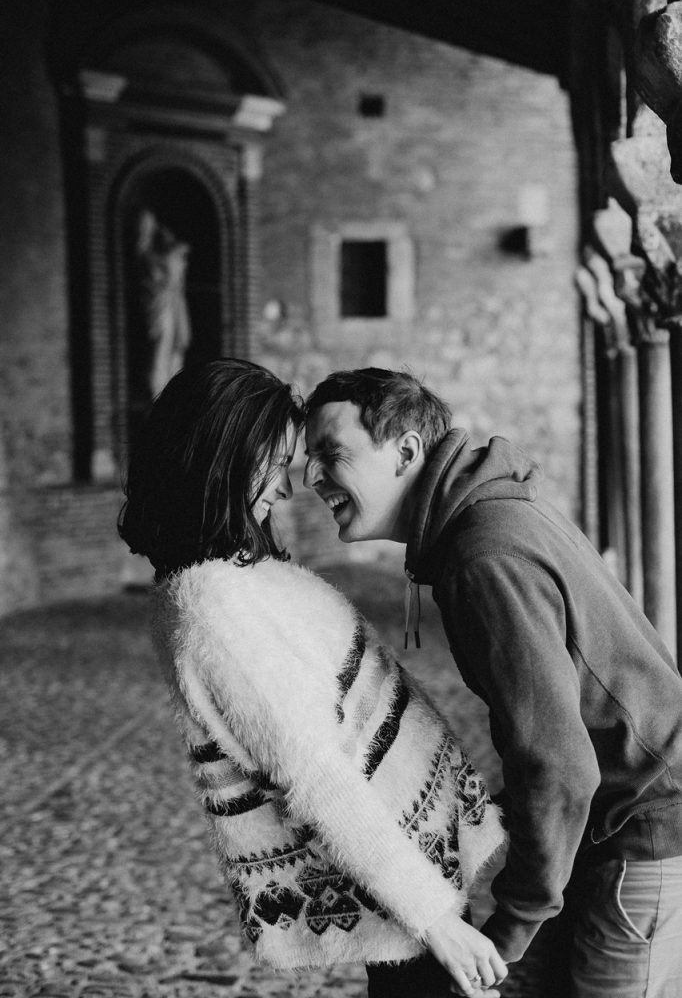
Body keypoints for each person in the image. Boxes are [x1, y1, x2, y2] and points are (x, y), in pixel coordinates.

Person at [117, 358, 508, 998]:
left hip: (415, 868)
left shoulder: (235, 574)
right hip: (403, 893)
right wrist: (436, 920)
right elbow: (313, 774)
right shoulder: (211, 605)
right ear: (221, 457)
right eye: (273, 458)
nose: (291, 481)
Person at [303, 366, 682, 998]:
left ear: (404, 452)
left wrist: (512, 927)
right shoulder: (484, 518)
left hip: (639, 828)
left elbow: (559, 766)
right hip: (608, 825)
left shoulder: (484, 556)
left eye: (331, 456)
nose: (312, 479)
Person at [135, 208, 192, 398]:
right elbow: (167, 268)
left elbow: (180, 255)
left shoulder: (167, 254)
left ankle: (171, 392)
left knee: (176, 350)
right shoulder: (150, 257)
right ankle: (158, 394)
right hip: (161, 308)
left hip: (173, 307)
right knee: (160, 350)